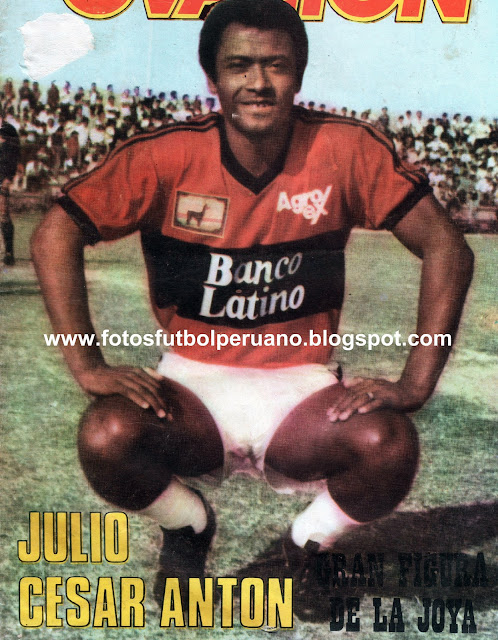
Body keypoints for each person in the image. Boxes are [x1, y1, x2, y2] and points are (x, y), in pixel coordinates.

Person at [31, 0, 473, 620]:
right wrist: (86, 366)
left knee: (388, 444)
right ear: (212, 78)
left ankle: (307, 544)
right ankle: (187, 525)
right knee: (106, 435)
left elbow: (446, 246)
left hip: (300, 387)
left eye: (276, 65)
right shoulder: (164, 155)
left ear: (299, 73)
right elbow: (55, 233)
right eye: (239, 66)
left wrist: (416, 382)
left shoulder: (344, 148)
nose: (258, 82)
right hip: (192, 385)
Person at [0, 105, 20, 265]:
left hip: (2, 178)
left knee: (3, 215)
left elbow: (13, 156)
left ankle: (9, 252)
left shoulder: (9, 130)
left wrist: (8, 178)